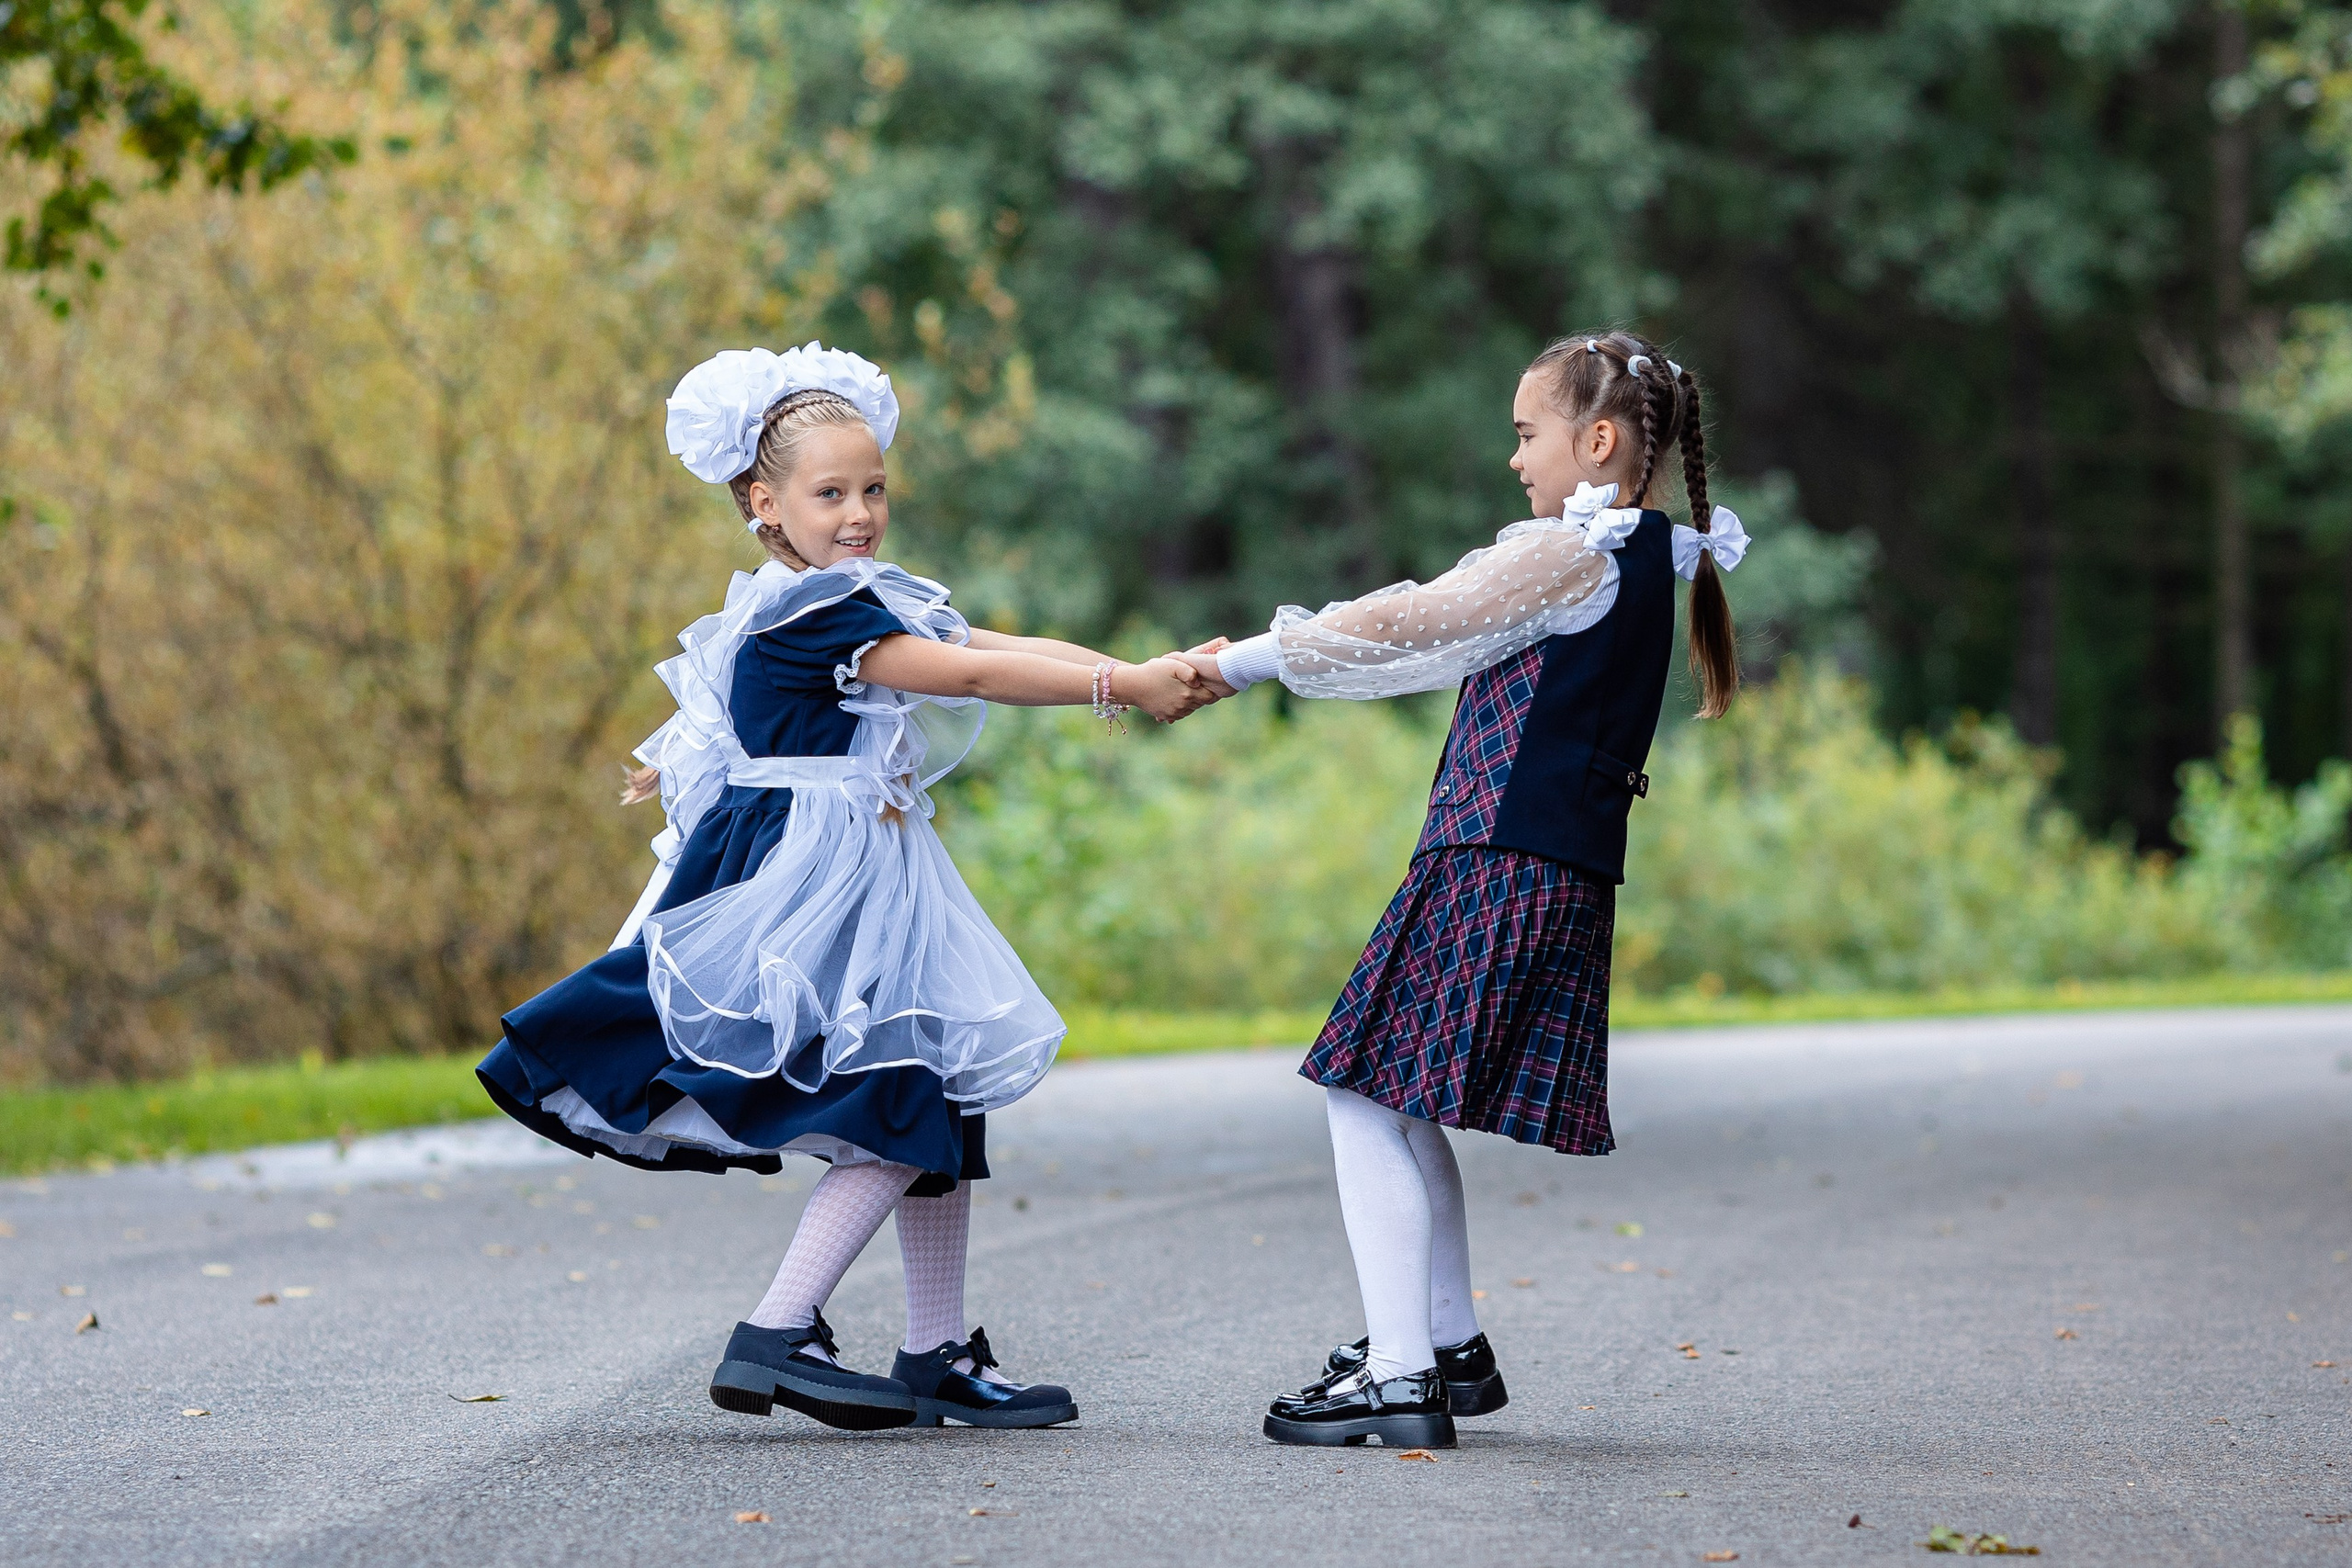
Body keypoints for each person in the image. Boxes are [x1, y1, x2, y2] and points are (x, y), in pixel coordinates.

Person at [478, 343, 1216, 1434]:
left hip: (863, 866)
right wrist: (1120, 686)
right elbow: (962, 674)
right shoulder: (815, 612)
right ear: (762, 502)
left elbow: (985, 639)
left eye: (873, 488)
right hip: (805, 875)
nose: (861, 511)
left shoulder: (824, 595)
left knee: (937, 1090)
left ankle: (935, 1353)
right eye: (831, 493)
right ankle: (776, 1332)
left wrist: (1133, 666)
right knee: (894, 1100)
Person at [1182, 330, 1749, 1449]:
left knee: (1359, 1091)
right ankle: (1443, 1343)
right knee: (1392, 1092)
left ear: (1596, 442)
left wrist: (1239, 661)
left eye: (1526, 434)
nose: (1514, 459)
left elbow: (1413, 620)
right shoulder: (1635, 556)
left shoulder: (1576, 550)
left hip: (1500, 856)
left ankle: (1401, 1372)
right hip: (1539, 860)